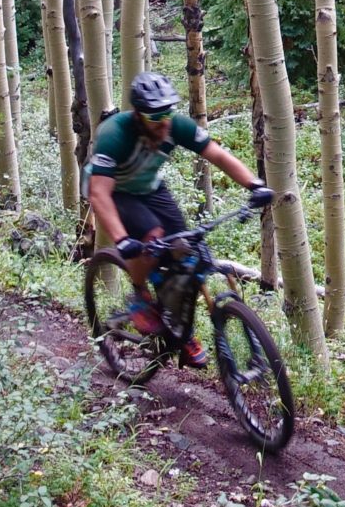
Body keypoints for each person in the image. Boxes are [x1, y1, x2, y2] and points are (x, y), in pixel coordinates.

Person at [87, 73, 275, 363]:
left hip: (149, 187)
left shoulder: (175, 126)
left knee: (184, 249)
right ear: (138, 115)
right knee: (152, 236)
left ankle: (179, 330)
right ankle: (138, 295)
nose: (163, 121)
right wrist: (123, 240)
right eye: (154, 116)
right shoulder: (115, 133)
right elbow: (99, 193)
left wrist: (254, 185)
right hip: (114, 191)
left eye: (167, 112)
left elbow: (218, 155)